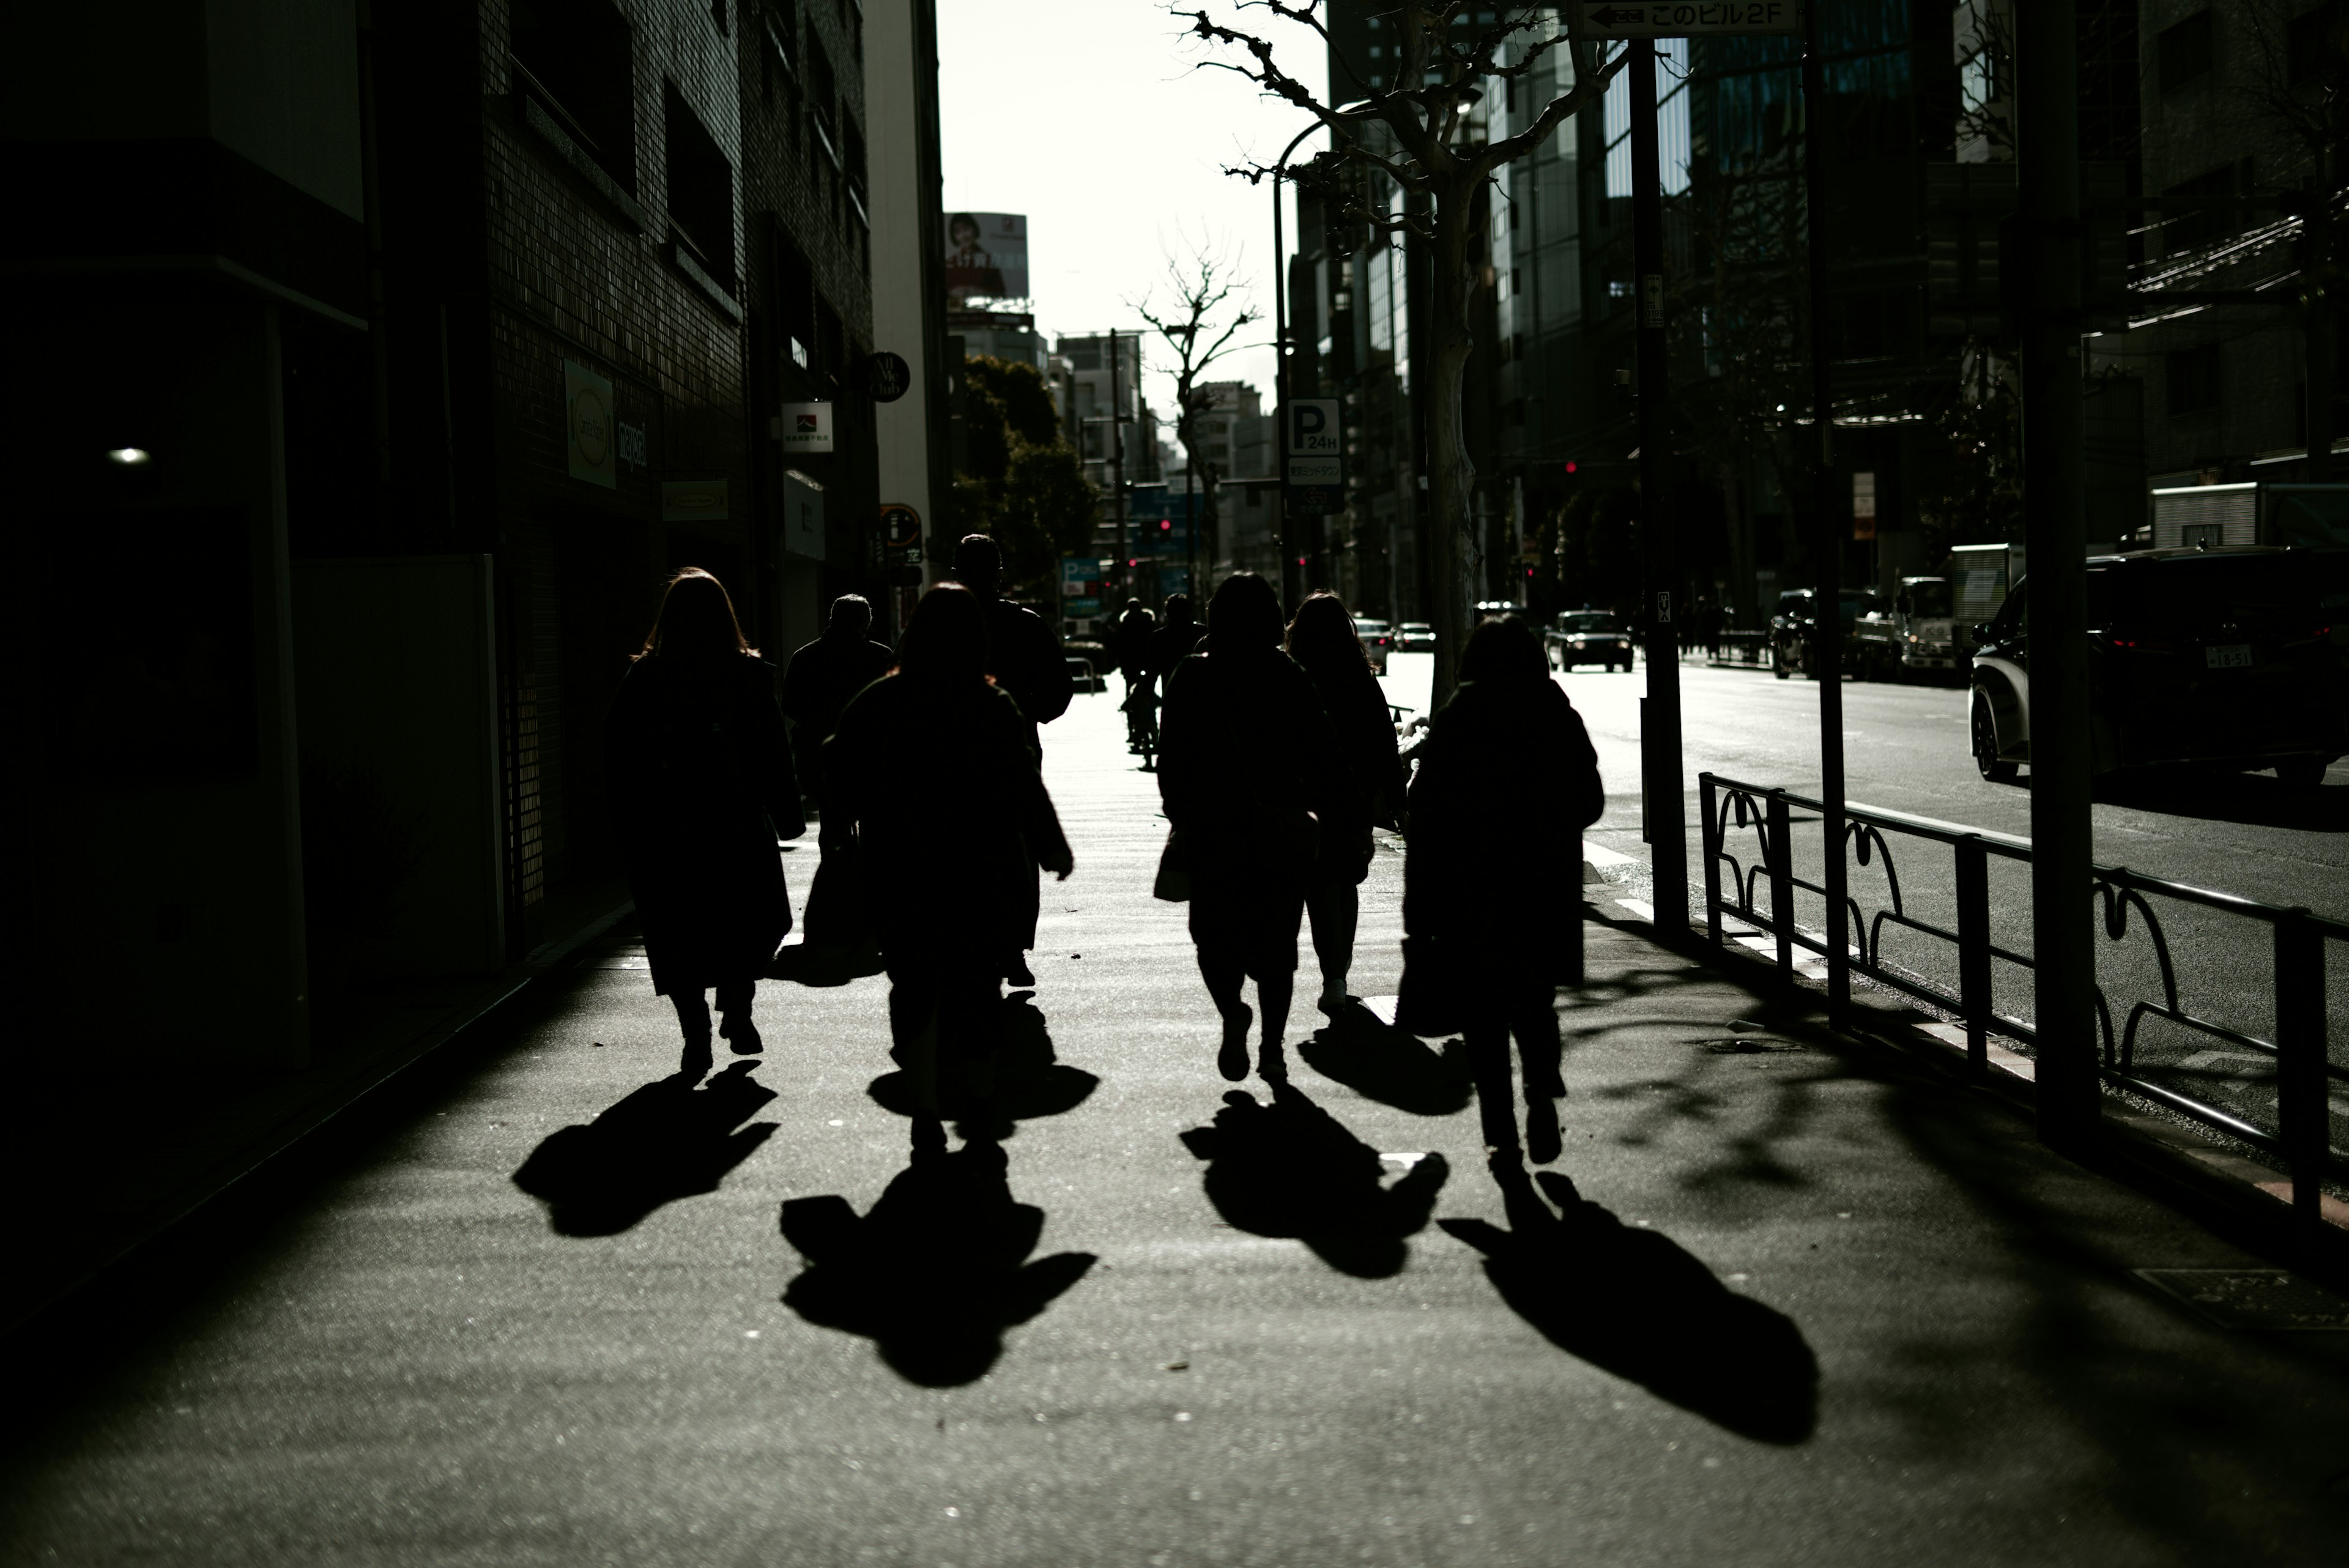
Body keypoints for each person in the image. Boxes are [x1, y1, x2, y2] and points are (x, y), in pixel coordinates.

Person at [826, 585, 1074, 1153]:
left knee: (912, 983)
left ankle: (924, 1105)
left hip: (900, 863)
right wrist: (1051, 846)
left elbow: (836, 765)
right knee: (977, 980)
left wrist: (842, 827)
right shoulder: (990, 704)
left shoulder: (880, 700)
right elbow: (1023, 784)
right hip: (981, 864)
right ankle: (983, 1094)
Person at [1402, 615, 1603, 1164]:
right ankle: (1541, 1090)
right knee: (1534, 1001)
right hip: (1542, 887)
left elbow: (1426, 821)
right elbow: (1591, 799)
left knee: (1483, 1016)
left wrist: (1418, 912)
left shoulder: (1457, 718)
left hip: (1470, 893)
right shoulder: (1555, 713)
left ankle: (1501, 1137)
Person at [1158, 573, 1365, 1082]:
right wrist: (1347, 819)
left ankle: (1233, 1013)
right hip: (1281, 828)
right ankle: (1272, 1045)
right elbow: (1325, 755)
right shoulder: (1287, 673)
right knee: (1278, 944)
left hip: (1211, 828)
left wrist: (1180, 813)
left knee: (1212, 936)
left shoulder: (1191, 677)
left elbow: (1172, 758)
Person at [606, 568, 806, 1078]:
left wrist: (627, 822)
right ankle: (737, 1008)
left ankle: (695, 1032)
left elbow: (618, 754)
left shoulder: (646, 677)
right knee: (754, 919)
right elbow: (772, 752)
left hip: (665, 826)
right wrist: (788, 815)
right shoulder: (748, 675)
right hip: (736, 822)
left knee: (678, 930)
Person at [951, 532, 1072, 986]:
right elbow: (1060, 687)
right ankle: (1013, 947)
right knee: (1014, 848)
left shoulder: (936, 626)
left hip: (943, 758)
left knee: (950, 846)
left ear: (957, 574)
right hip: (1013, 749)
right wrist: (1028, 715)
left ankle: (960, 941)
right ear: (999, 573)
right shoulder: (1025, 623)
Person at [1283, 592, 1407, 1014]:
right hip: (1353, 796)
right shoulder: (1360, 678)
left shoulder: (1293, 676)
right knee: (1345, 881)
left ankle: (1332, 971)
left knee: (1318, 886)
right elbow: (1384, 744)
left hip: (1304, 796)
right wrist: (1396, 798)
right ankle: (1339, 966)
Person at [779, 595, 896, 844]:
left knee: (831, 824)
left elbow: (789, 704)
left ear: (832, 620)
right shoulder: (881, 657)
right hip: (871, 756)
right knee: (874, 824)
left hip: (819, 754)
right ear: (865, 623)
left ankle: (835, 872)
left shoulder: (805, 657)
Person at [1147, 592, 1208, 691]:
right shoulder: (1201, 631)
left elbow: (1153, 668)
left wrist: (1148, 690)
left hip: (1171, 689)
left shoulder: (1160, 636)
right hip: (1198, 687)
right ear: (1189, 612)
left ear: (1168, 613)